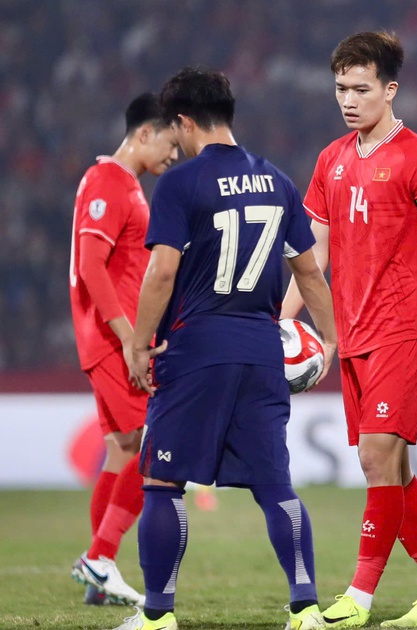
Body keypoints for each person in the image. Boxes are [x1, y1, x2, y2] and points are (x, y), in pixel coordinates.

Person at [115, 67, 337, 630]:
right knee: (274, 484)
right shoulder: (278, 181)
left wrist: (139, 345)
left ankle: (158, 615)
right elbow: (309, 273)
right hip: (263, 348)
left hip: (198, 347)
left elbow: (162, 274)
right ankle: (306, 609)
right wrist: (330, 340)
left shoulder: (180, 184)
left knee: (163, 481)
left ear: (185, 122)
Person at [279, 31, 417, 629]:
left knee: (375, 457)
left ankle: (357, 599)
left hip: (403, 330)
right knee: (395, 471)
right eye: (341, 88)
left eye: (360, 88)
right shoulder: (331, 159)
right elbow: (314, 255)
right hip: (352, 335)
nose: (348, 99)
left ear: (389, 90)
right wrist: (285, 319)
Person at [69, 92, 178, 608]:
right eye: (170, 146)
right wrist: (129, 338)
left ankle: (99, 580)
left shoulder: (123, 184)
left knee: (123, 448)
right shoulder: (110, 182)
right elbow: (92, 267)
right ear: (144, 134)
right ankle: (101, 555)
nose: (173, 158)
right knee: (157, 445)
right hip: (114, 342)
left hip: (108, 340)